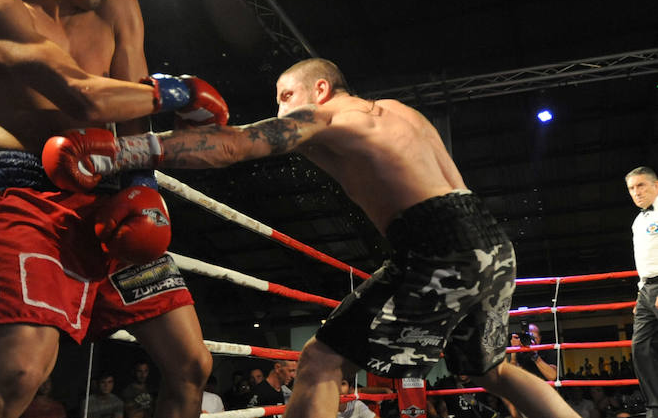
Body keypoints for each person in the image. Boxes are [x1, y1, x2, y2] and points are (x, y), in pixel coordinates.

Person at [42, 57, 581, 418]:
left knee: (321, 362)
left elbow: (238, 146)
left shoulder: (327, 118)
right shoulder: (403, 114)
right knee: (492, 370)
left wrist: (126, 152)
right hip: (491, 243)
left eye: (286, 95)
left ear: (319, 88)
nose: (282, 109)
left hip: (439, 246)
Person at [0, 0, 228, 418]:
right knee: (18, 374)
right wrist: (179, 92)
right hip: (28, 198)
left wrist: (142, 183)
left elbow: (129, 115)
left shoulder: (119, 3)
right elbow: (80, 95)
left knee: (191, 364)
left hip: (112, 196)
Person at [627, 166, 658, 418]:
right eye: (631, 188)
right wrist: (641, 294)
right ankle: (655, 406)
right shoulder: (639, 221)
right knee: (641, 346)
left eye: (641, 186)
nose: (636, 192)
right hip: (646, 289)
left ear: (655, 185)